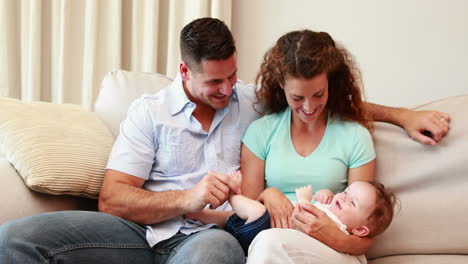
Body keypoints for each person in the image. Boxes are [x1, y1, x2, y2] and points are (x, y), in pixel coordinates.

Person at [0, 18, 450, 263]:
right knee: (15, 241)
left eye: (233, 75)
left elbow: (324, 106)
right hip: (140, 231)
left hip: (210, 237)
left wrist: (403, 115)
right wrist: (188, 198)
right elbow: (112, 199)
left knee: (213, 255)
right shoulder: (149, 113)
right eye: (215, 81)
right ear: (185, 72)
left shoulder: (252, 101)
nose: (227, 89)